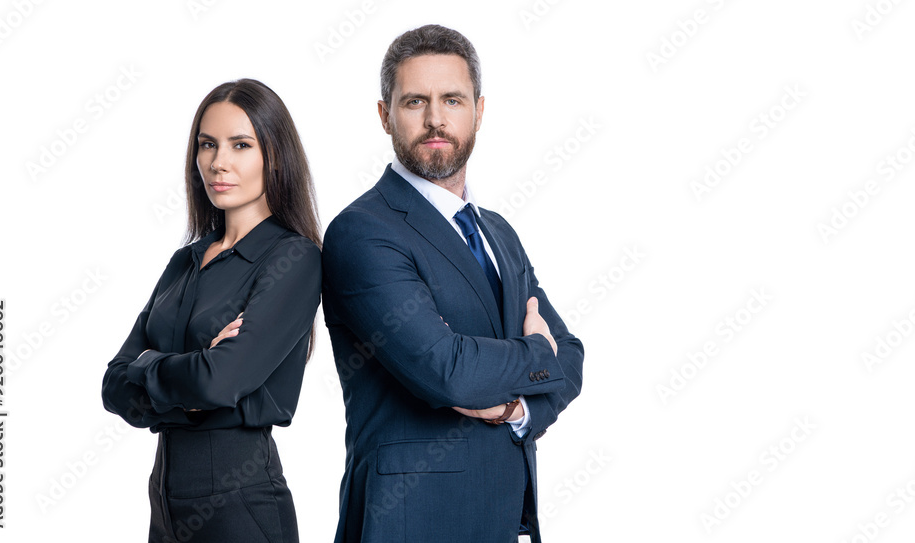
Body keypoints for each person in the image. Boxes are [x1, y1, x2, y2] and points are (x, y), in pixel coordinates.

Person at [322, 24, 585, 542]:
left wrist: (515, 408)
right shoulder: (362, 232)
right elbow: (447, 371)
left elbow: (571, 358)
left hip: (502, 519)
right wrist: (535, 350)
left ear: (479, 112)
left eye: (453, 100)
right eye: (415, 101)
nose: (436, 119)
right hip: (409, 520)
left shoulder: (498, 233)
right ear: (384, 115)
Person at [101, 78, 321, 543]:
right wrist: (189, 381)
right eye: (207, 145)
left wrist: (153, 371)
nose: (218, 163)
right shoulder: (185, 260)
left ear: (274, 155)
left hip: (240, 500)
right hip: (164, 498)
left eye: (241, 145)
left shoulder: (294, 258)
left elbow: (220, 380)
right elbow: (113, 385)